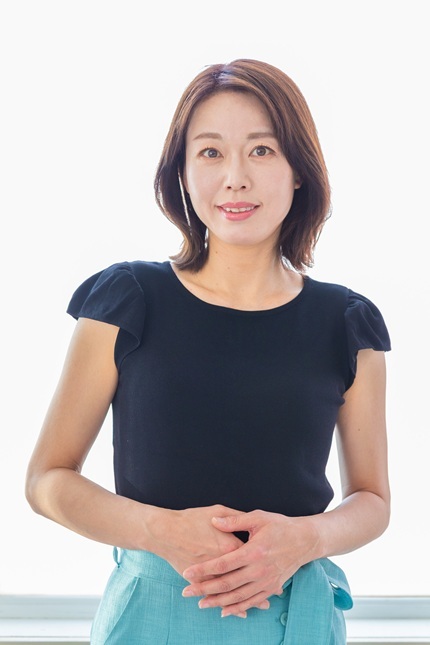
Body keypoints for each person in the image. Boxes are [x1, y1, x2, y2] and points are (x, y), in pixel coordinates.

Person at [26, 59, 391, 644]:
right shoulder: (127, 298)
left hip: (297, 619)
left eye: (262, 150)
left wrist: (310, 539)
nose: (236, 178)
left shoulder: (347, 323)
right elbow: (46, 480)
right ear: (183, 172)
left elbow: (372, 499)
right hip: (151, 619)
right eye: (211, 152)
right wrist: (157, 530)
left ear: (299, 170)